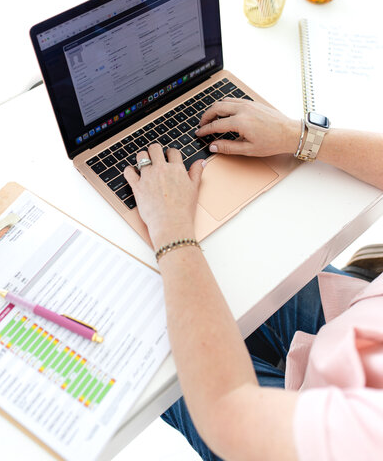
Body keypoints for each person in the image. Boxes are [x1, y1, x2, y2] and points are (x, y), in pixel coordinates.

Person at [124, 98, 383, 461]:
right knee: (238, 261)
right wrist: (299, 136)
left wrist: (172, 229)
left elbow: (230, 414)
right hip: (358, 333)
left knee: (148, 349)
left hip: (314, 430)